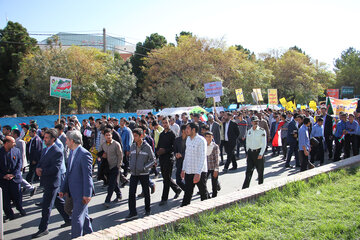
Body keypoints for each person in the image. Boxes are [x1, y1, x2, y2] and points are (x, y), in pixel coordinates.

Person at [32, 129, 70, 238]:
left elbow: (55, 168)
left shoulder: (57, 151)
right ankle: (68, 219)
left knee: (46, 206)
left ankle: (43, 228)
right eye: (44, 137)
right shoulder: (45, 149)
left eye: (47, 138)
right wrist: (38, 168)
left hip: (53, 182)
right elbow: (41, 161)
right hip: (46, 180)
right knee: (58, 201)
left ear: (53, 139)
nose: (44, 139)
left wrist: (42, 171)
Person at [60, 130, 94, 238]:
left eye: (67, 140)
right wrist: (63, 189)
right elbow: (68, 173)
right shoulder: (72, 153)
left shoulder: (84, 154)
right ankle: (89, 234)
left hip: (81, 192)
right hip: (72, 191)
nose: (65, 142)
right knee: (84, 215)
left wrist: (87, 194)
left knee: (76, 218)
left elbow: (87, 176)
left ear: (72, 141)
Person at [125, 128, 156, 220]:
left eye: (136, 136)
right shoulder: (133, 146)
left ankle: (147, 209)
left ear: (141, 136)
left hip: (144, 174)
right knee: (131, 193)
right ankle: (132, 212)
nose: (134, 138)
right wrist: (130, 166)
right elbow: (130, 157)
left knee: (146, 192)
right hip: (134, 174)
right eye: (133, 136)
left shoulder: (147, 147)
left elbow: (153, 160)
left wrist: (144, 167)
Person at [180, 123, 209, 206]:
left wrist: (198, 173)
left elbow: (202, 157)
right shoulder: (188, 139)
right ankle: (184, 211)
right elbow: (187, 155)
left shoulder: (201, 140)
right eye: (186, 128)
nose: (186, 130)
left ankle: (207, 210)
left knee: (203, 192)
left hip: (199, 172)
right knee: (187, 192)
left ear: (193, 130)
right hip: (189, 171)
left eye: (188, 128)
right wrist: (183, 169)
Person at [0, 136, 26, 221]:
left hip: (14, 178)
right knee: (5, 199)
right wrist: (3, 175)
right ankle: (9, 214)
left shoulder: (16, 151)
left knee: (17, 196)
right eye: (13, 142)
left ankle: (20, 208)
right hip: (3, 180)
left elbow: (19, 163)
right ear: (7, 143)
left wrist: (13, 174)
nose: (14, 144)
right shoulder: (1, 152)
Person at [157, 117, 182, 206]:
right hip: (162, 158)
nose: (164, 124)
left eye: (166, 123)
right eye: (163, 123)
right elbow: (159, 145)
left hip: (169, 158)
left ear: (169, 123)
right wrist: (157, 153)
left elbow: (174, 147)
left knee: (166, 179)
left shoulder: (172, 134)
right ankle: (177, 189)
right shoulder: (162, 134)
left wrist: (165, 151)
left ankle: (164, 198)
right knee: (165, 177)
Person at [99, 128, 123, 208]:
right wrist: (102, 156)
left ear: (111, 135)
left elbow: (120, 155)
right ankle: (119, 194)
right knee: (112, 182)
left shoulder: (116, 144)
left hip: (115, 166)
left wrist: (118, 166)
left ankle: (107, 200)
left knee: (111, 184)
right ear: (104, 136)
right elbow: (100, 153)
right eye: (106, 135)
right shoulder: (103, 145)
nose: (108, 136)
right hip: (107, 167)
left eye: (109, 135)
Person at [242, 116, 267, 189]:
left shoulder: (262, 131)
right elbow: (247, 142)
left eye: (257, 121)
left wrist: (261, 154)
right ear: (251, 122)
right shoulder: (249, 131)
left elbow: (264, 143)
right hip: (250, 153)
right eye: (254, 121)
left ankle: (261, 187)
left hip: (258, 152)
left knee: (260, 171)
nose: (256, 123)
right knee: (248, 171)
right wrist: (247, 152)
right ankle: (245, 188)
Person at [12, 129, 36, 196]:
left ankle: (31, 188)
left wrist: (22, 165)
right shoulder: (14, 141)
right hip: (16, 163)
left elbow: (23, 154)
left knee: (19, 178)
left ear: (16, 134)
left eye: (12, 133)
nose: (11, 134)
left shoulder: (20, 142)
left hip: (20, 163)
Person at [204, 131, 220, 198]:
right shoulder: (203, 145)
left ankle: (214, 197)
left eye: (210, 137)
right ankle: (207, 196)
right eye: (207, 137)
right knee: (203, 183)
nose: (208, 138)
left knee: (214, 184)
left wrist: (216, 169)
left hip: (213, 167)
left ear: (212, 137)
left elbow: (217, 158)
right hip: (205, 168)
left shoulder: (215, 146)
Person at [174, 124, 187, 191]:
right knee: (178, 180)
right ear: (183, 131)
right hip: (179, 162)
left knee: (188, 180)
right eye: (186, 129)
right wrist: (176, 154)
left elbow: (190, 151)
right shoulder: (177, 140)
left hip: (188, 163)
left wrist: (182, 154)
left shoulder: (190, 140)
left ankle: (188, 193)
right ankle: (187, 191)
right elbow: (175, 151)